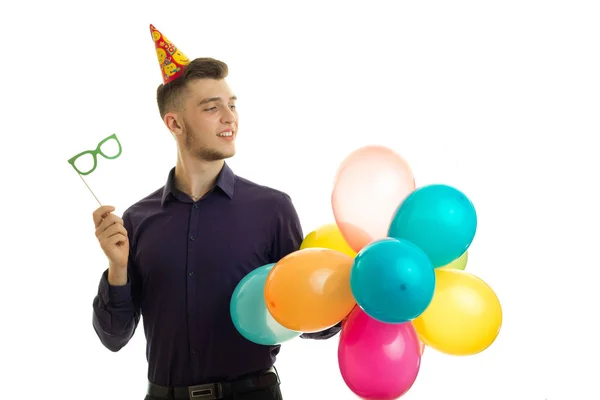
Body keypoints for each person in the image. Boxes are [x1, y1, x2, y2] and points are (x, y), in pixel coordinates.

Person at [91, 25, 340, 400]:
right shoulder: (138, 221)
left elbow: (310, 323)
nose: (230, 117)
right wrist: (118, 268)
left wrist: (345, 289)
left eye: (232, 104)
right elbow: (113, 337)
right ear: (175, 123)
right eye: (212, 108)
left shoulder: (272, 208)